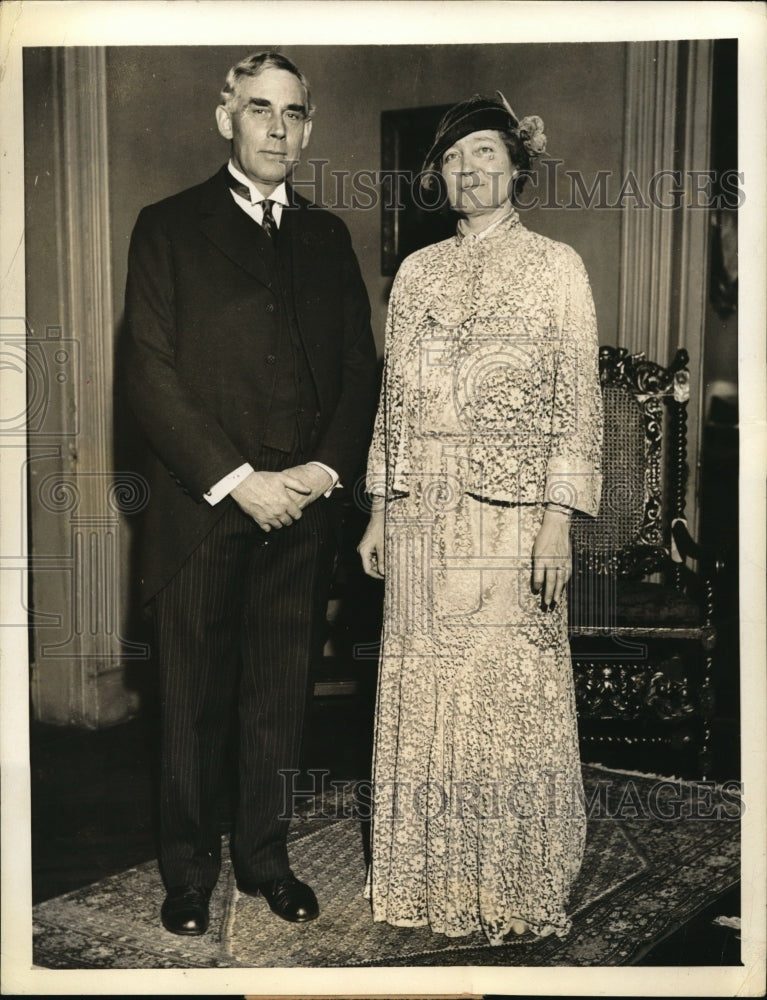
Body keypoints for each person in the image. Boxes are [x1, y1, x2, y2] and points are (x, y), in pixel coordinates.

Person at [123, 51, 378, 936]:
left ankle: (266, 859)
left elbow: (358, 370)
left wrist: (319, 473)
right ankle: (187, 875)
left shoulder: (325, 236)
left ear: (308, 126)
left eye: (294, 113)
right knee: (191, 702)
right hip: (202, 512)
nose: (278, 127)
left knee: (277, 698)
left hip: (302, 513)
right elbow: (148, 375)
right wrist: (239, 483)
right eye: (260, 109)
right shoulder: (167, 226)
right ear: (224, 116)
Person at [358, 93, 603, 945]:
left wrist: (557, 522)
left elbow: (576, 403)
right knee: (425, 691)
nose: (470, 171)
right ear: (438, 176)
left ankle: (509, 881)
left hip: (509, 523)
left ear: (516, 167)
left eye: (486, 155)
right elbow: (392, 402)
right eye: (455, 159)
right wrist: (382, 510)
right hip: (423, 517)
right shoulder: (416, 275)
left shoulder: (555, 268)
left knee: (500, 695)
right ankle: (427, 880)